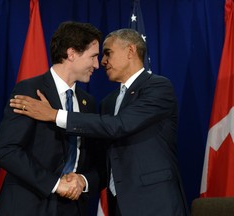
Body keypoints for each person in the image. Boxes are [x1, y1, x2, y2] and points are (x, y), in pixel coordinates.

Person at [10, 28, 189, 216]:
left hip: (155, 204)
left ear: (130, 51)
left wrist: (55, 115)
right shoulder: (107, 103)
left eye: (107, 53)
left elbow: (119, 125)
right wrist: (82, 180)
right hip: (119, 205)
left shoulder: (158, 87)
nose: (102, 62)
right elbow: (104, 158)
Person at [0, 21, 105, 216]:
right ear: (71, 53)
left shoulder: (88, 102)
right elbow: (6, 150)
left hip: (72, 208)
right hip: (28, 206)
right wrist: (55, 184)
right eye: (93, 56)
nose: (97, 64)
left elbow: (97, 163)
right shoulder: (30, 91)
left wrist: (83, 180)